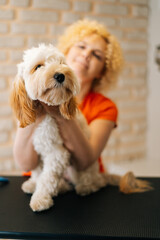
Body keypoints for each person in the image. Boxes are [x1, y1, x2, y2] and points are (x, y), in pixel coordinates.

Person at [13, 19, 123, 173]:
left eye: (97, 55)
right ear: (67, 51)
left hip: (83, 185)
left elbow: (84, 162)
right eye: (81, 46)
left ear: (102, 71)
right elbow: (26, 165)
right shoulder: (35, 93)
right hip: (40, 184)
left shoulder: (105, 107)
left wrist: (61, 114)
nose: (86, 55)